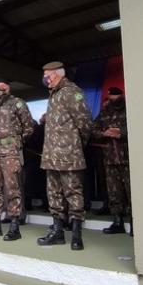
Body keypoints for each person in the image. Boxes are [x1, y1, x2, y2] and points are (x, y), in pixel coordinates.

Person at [37, 61, 92, 251]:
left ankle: (76, 236)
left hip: (69, 154)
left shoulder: (71, 92)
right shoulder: (54, 95)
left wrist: (76, 145)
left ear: (57, 74)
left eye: (47, 75)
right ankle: (58, 233)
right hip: (51, 156)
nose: (45, 79)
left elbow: (84, 123)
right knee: (54, 195)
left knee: (73, 194)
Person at [0, 80, 36, 241]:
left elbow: (29, 126)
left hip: (10, 151)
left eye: (3, 87)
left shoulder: (17, 103)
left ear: (8, 88)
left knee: (12, 188)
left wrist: (16, 143)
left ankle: (14, 226)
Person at [91, 87, 131, 236]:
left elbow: (140, 126)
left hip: (128, 158)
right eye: (111, 97)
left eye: (116, 96)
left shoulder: (130, 109)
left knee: (132, 192)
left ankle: (136, 224)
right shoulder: (104, 113)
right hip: (110, 159)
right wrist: (104, 133)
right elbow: (92, 130)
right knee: (114, 193)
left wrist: (121, 133)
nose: (113, 99)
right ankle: (117, 222)